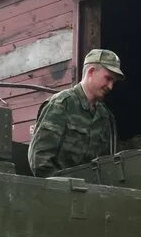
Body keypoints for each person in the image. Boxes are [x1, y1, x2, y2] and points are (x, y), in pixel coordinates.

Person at [28, 49, 123, 177]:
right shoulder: (62, 104)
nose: (110, 86)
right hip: (60, 192)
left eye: (113, 82)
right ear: (91, 72)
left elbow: (106, 163)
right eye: (108, 78)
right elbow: (40, 160)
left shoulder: (105, 116)